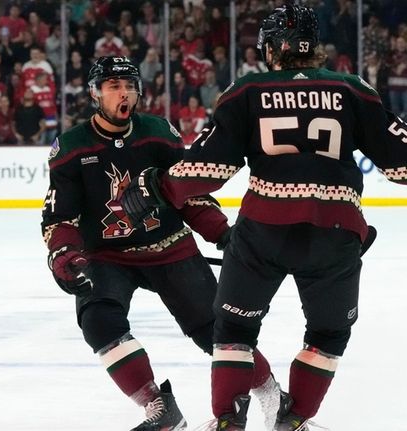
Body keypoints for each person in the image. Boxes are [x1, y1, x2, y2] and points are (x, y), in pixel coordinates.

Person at [119, 5, 407, 430]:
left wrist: (157, 185)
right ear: (312, 45)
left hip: (263, 230)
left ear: (271, 46)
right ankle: (294, 419)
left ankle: (227, 419)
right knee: (327, 335)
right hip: (335, 233)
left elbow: (207, 169)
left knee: (231, 331)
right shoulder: (352, 89)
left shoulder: (246, 90)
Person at [40, 56, 285, 431]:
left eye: (129, 86)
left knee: (218, 333)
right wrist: (64, 253)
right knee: (99, 322)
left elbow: (187, 193)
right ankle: (160, 407)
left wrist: (222, 232)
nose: (123, 94)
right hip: (107, 256)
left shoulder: (158, 133)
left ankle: (273, 396)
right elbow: (61, 216)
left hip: (170, 247)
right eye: (113, 87)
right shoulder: (71, 147)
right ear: (95, 94)